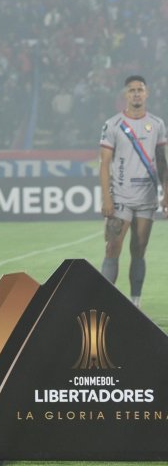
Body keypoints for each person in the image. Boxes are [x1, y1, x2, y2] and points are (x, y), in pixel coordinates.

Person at [98, 75, 168, 307]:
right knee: (112, 246)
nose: (136, 93)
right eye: (132, 90)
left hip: (147, 198)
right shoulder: (113, 124)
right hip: (121, 197)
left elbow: (162, 161)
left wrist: (166, 193)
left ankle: (135, 303)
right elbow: (104, 163)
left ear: (146, 94)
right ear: (125, 95)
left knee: (139, 249)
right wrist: (106, 197)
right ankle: (106, 302)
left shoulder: (157, 124)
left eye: (140, 90)